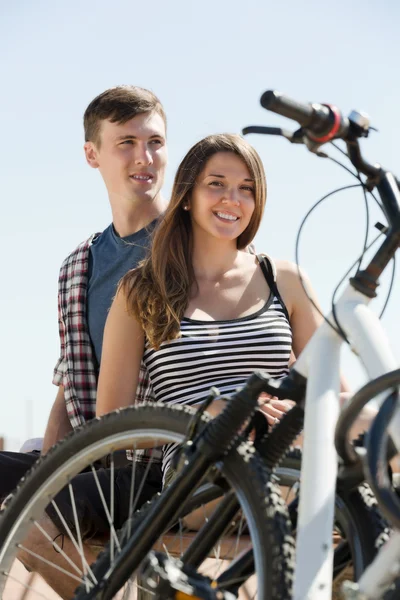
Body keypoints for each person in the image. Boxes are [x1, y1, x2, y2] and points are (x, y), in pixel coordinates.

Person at [16, 133, 326, 599]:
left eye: (246, 188)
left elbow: (334, 390)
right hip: (192, 463)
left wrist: (304, 420)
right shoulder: (140, 288)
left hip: (285, 450)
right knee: (28, 515)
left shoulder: (285, 280)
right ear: (186, 196)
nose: (232, 199)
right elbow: (111, 424)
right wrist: (209, 414)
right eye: (216, 184)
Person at [0, 84, 168, 500]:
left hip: (164, 468)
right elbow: (69, 386)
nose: (144, 157)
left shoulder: (191, 248)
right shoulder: (78, 266)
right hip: (92, 464)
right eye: (126, 142)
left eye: (155, 142)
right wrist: (47, 474)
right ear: (92, 154)